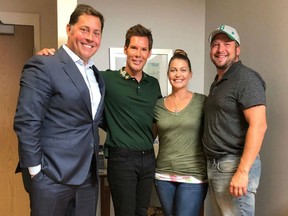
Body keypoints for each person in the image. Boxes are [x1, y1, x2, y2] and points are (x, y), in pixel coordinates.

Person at [13, 4, 105, 216]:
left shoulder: (96, 75)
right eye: (84, 29)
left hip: (87, 179)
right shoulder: (45, 65)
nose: (90, 37)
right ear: (69, 29)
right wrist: (36, 173)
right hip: (51, 177)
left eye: (96, 32)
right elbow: (27, 122)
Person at [202, 24, 267, 216]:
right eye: (215, 44)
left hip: (234, 166)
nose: (220, 49)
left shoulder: (246, 78)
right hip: (216, 166)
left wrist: (242, 172)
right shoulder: (219, 81)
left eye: (227, 44)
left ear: (237, 49)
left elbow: (259, 125)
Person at [101, 24, 162, 216]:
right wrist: (51, 57)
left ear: (149, 53)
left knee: (141, 212)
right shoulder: (107, 79)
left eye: (143, 49)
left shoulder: (153, 84)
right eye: (134, 48)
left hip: (147, 158)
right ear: (125, 49)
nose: (138, 54)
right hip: (122, 159)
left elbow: (156, 121)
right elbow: (77, 75)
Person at [153, 49, 208, 216]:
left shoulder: (202, 102)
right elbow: (149, 136)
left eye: (183, 70)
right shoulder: (158, 105)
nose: (178, 74)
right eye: (173, 70)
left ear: (190, 74)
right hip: (163, 175)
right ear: (168, 73)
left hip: (193, 175)